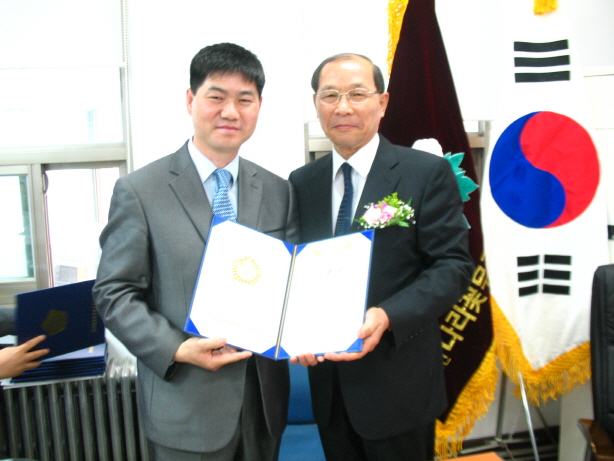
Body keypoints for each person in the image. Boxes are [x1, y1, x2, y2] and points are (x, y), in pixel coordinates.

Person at [93, 43, 298, 461]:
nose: (230, 112)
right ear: (190, 100)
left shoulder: (279, 190)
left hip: (263, 405)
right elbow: (114, 292)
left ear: (259, 106)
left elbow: (290, 285)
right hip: (185, 405)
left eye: (245, 100)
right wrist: (176, 348)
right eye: (216, 97)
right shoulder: (140, 191)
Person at [288, 53, 474, 461]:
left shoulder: (425, 173)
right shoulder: (302, 182)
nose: (343, 107)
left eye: (357, 94)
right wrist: (293, 330)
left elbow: (453, 267)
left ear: (383, 102)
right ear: (316, 104)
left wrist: (388, 315)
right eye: (330, 95)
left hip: (398, 385)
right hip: (329, 387)